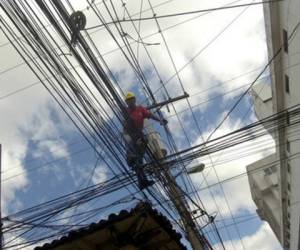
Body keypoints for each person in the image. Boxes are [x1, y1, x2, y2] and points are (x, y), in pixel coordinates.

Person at [123, 91, 167, 190]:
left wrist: (160, 120)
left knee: (139, 161)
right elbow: (126, 126)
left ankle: (142, 181)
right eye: (128, 101)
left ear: (134, 99)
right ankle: (130, 158)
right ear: (126, 103)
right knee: (132, 151)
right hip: (129, 135)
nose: (130, 102)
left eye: (131, 100)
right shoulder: (126, 111)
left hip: (139, 135)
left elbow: (150, 115)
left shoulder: (140, 109)